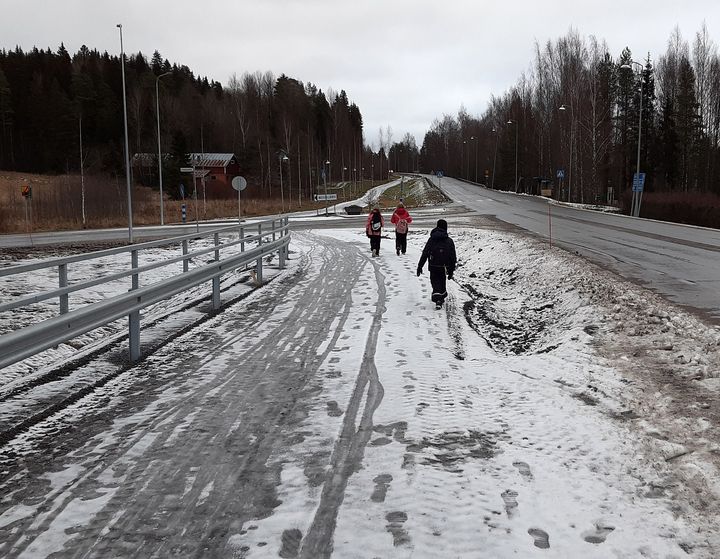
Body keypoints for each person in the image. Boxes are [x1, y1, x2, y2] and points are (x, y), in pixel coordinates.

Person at [417, 219, 457, 309]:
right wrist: (451, 270)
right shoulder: (449, 241)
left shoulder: (431, 239)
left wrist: (420, 266)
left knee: (435, 282)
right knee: (442, 282)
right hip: (444, 266)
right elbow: (452, 257)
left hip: (433, 265)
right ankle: (440, 298)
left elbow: (425, 253)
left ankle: (437, 299)